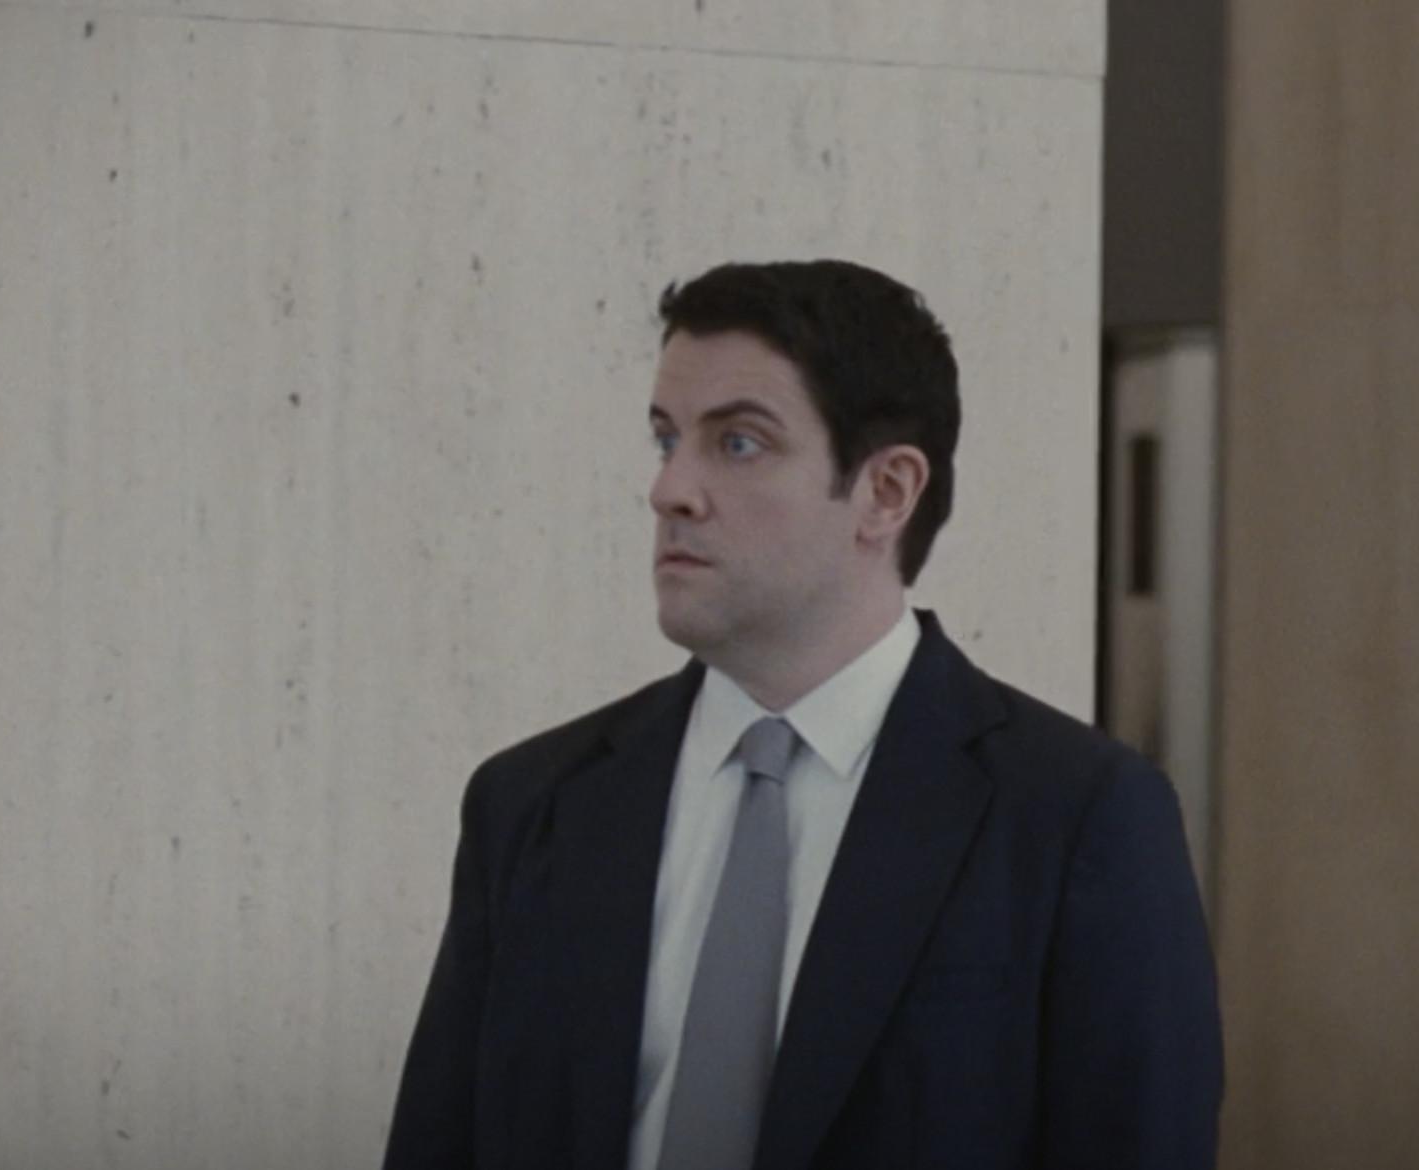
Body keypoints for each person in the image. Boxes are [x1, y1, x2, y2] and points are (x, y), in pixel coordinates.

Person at [383, 260, 1222, 1170]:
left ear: (886, 492)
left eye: (738, 443)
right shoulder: (531, 805)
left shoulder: (1076, 816)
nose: (670, 489)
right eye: (667, 440)